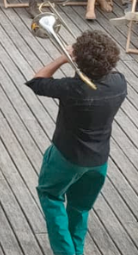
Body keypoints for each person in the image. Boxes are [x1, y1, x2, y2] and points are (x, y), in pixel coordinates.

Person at [27, 31, 126, 255]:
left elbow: (37, 81)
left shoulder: (73, 89)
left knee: (51, 196)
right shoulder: (119, 83)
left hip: (66, 157)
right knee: (80, 208)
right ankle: (76, 250)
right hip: (99, 161)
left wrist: (63, 57)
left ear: (80, 61)